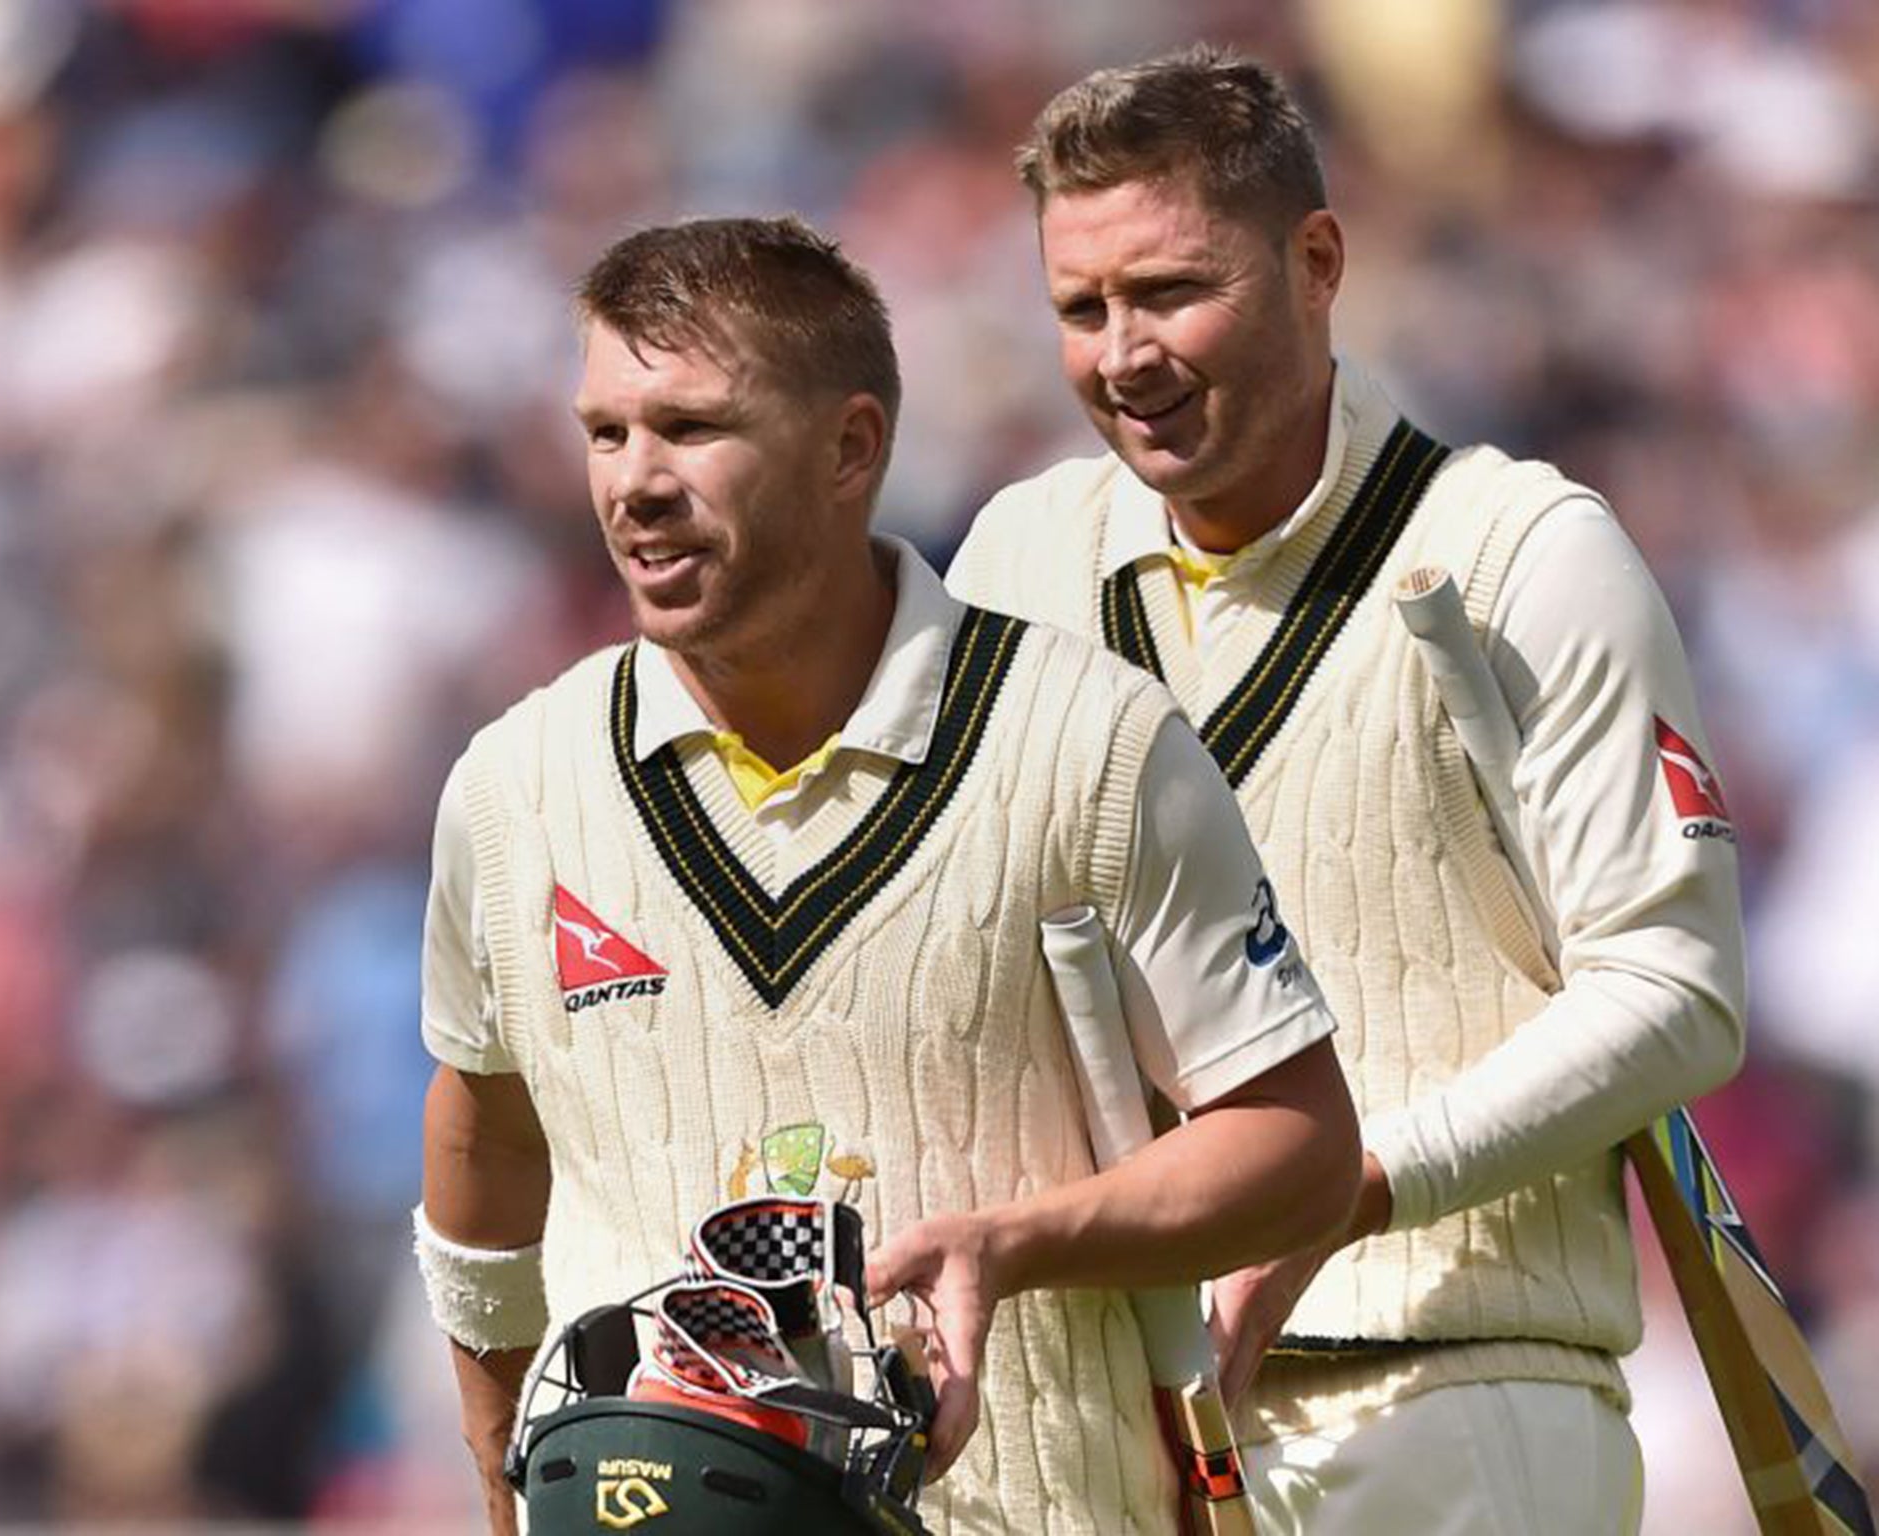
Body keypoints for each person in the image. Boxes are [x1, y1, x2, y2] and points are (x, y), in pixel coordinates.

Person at [412, 214, 1361, 1535]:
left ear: (851, 446)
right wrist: (494, 1457)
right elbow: (486, 1138)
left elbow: (1302, 1150)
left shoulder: (1088, 741)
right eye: (606, 432)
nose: (633, 481)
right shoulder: (514, 788)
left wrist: (1017, 1244)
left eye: (692, 429)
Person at [945, 45, 1747, 1534]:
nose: (1125, 354)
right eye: (1081, 307)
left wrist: (1345, 1190)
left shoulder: (1525, 550)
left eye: (1173, 291)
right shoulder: (1014, 561)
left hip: (1451, 1392)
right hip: (1121, 1422)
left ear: (1317, 262)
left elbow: (1675, 989)